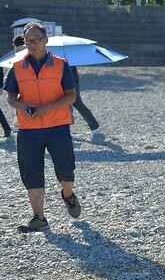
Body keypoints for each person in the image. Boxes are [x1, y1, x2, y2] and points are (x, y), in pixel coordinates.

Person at [3, 22, 83, 233]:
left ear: (46, 40)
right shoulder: (18, 66)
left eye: (36, 40)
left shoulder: (61, 64)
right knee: (32, 173)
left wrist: (46, 109)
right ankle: (39, 218)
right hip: (28, 130)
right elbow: (10, 96)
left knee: (66, 172)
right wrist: (22, 105)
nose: (31, 44)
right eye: (28, 41)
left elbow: (71, 96)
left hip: (58, 126)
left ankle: (67, 195)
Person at [70, 67, 100, 134]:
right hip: (73, 84)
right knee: (78, 105)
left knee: (78, 104)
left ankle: (95, 126)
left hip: (70, 86)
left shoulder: (66, 60)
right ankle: (95, 127)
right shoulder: (69, 59)